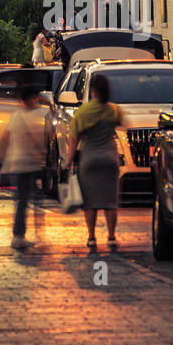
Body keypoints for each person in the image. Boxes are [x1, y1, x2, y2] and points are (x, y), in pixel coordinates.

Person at [64, 71, 123, 251]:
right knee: (110, 202)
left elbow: (74, 140)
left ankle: (91, 237)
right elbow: (122, 126)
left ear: (92, 91)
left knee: (90, 202)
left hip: (89, 160)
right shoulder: (114, 110)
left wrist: (67, 161)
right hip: (110, 159)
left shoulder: (83, 112)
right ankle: (111, 237)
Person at [1, 83, 46, 249]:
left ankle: (24, 234)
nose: (37, 101)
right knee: (24, 200)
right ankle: (19, 236)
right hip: (28, 164)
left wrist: (13, 150)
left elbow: (5, 137)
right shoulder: (31, 117)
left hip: (17, 162)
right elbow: (38, 141)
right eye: (35, 97)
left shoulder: (17, 116)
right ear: (30, 99)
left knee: (23, 199)